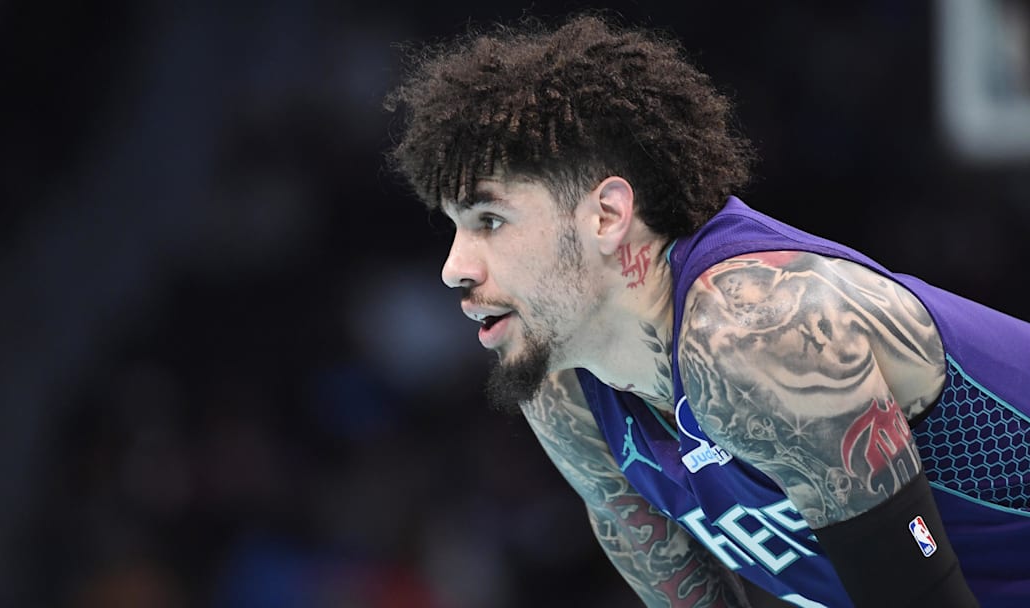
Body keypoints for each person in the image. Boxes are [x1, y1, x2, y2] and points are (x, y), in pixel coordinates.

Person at [384, 13, 1030, 608]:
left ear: (606, 216)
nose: (454, 267)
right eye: (454, 227)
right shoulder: (565, 391)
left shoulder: (761, 329)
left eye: (489, 220)